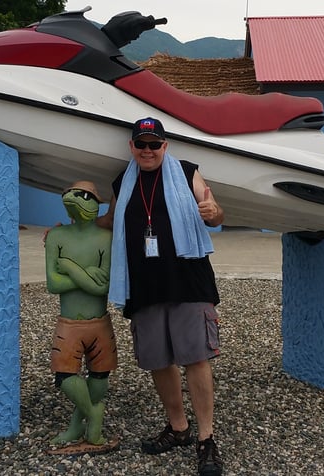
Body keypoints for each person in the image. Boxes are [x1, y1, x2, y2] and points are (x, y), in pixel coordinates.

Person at [97, 117, 225, 476]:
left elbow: (214, 212)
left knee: (196, 358)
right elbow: (109, 221)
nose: (148, 150)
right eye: (142, 144)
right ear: (132, 147)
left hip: (188, 280)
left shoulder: (187, 173)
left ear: (165, 146)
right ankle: (178, 427)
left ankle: (206, 439)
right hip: (144, 285)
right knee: (158, 360)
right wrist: (70, 229)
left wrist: (214, 213)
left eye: (155, 144)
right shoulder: (123, 182)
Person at [44, 180, 116, 447]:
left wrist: (70, 268)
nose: (76, 198)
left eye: (85, 196)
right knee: (64, 375)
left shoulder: (105, 239)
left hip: (99, 322)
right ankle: (93, 414)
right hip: (69, 323)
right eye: (70, 194)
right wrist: (88, 276)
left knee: (100, 374)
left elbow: (104, 287)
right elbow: (53, 284)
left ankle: (77, 427)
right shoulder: (56, 237)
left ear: (97, 205)